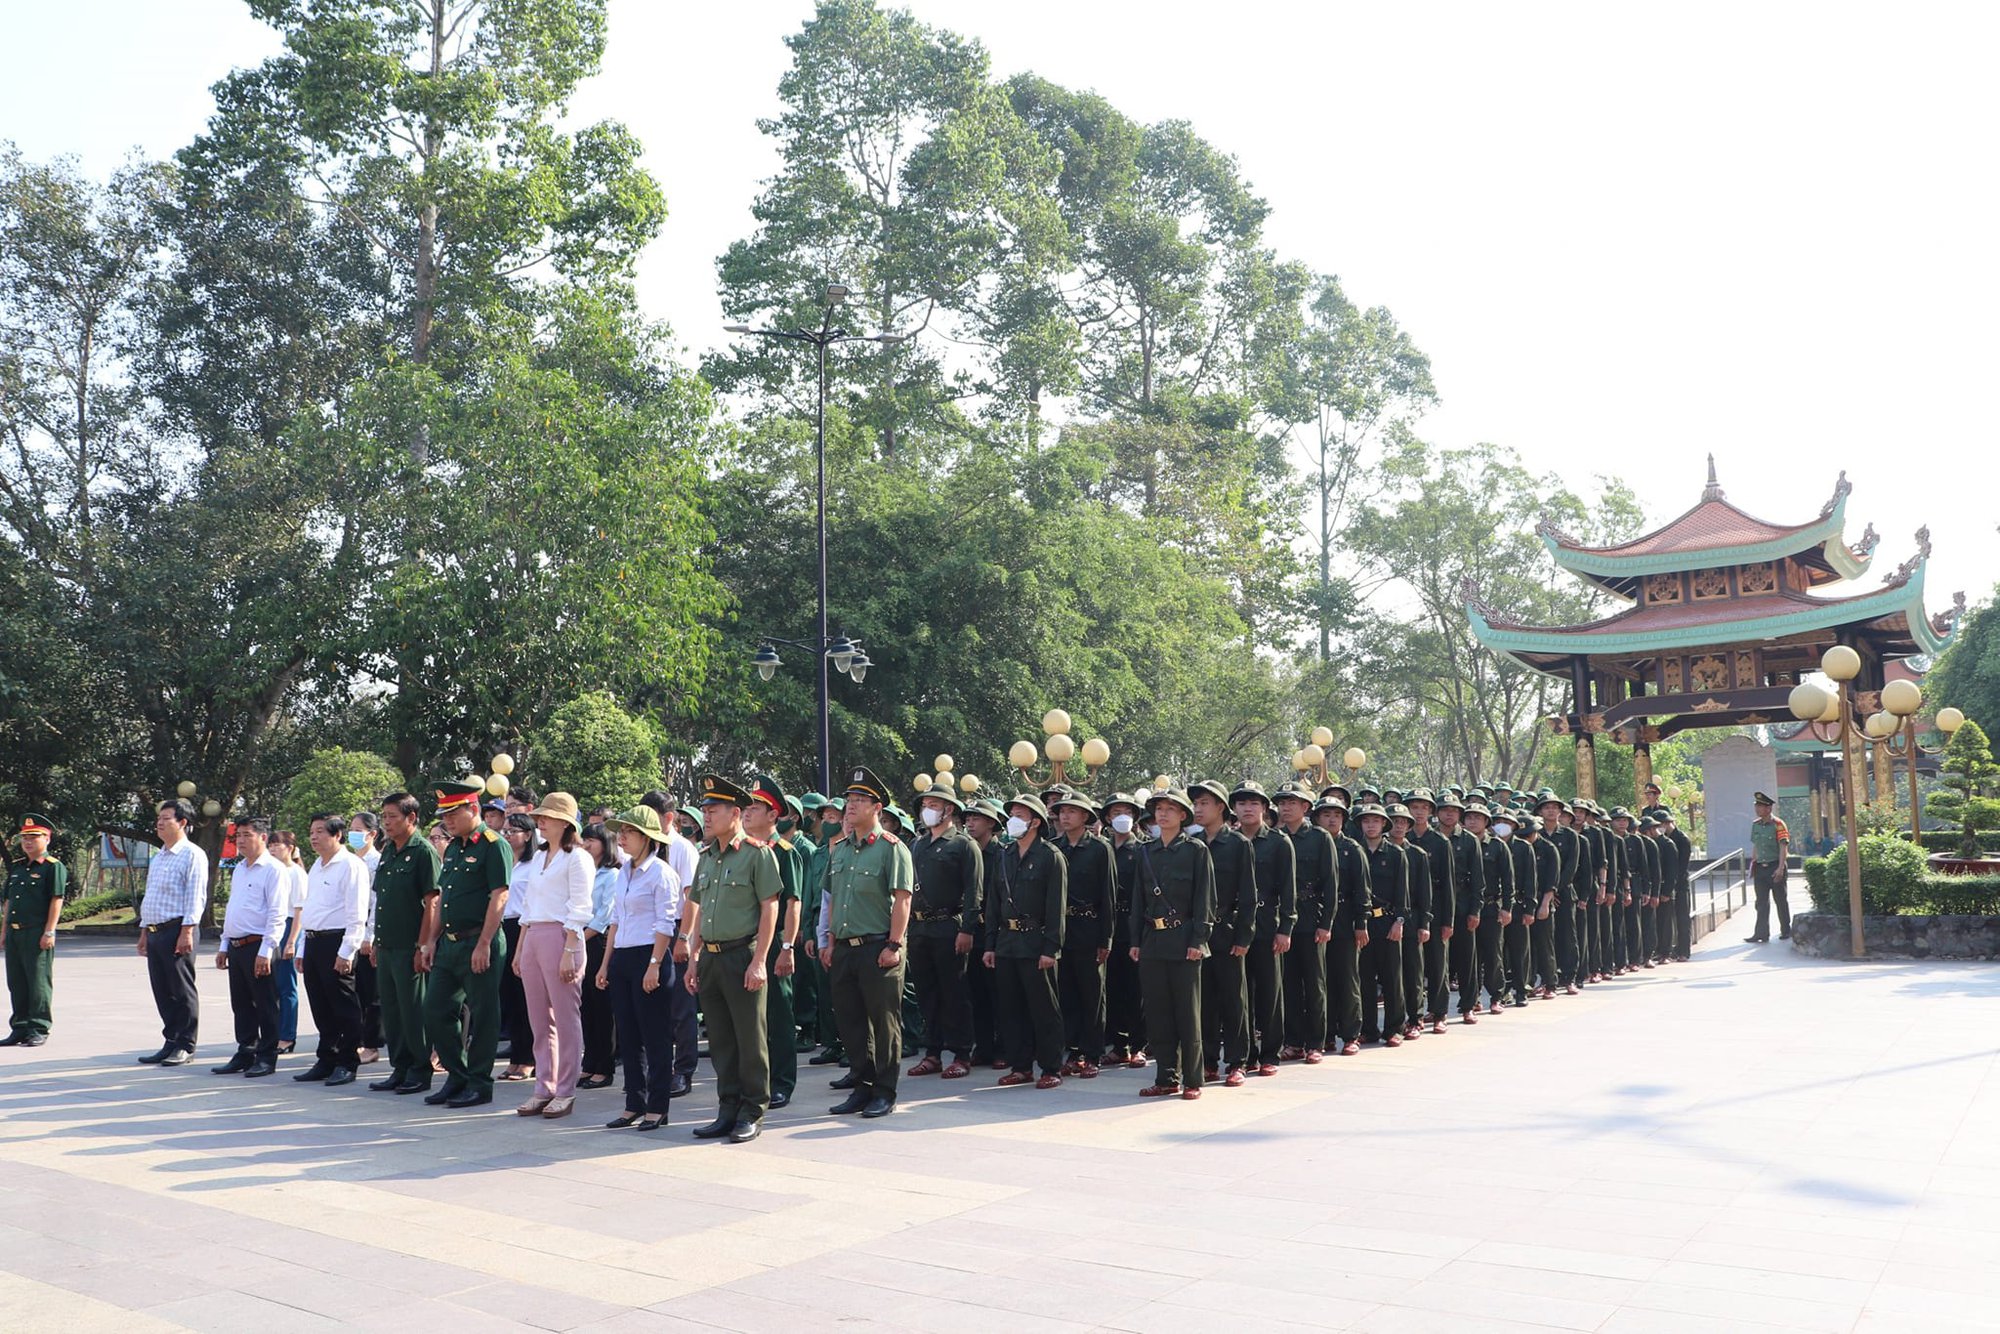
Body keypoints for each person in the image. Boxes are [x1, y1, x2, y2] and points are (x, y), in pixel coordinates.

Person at [684, 774, 782, 1143]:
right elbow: (699, 909)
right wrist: (693, 958)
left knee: (749, 1038)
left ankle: (753, 1109)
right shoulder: (706, 858)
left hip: (742, 954)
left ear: (735, 813)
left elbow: (769, 907)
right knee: (722, 1040)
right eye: (705, 810)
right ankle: (727, 1108)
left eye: (713, 810)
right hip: (709, 957)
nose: (706, 817)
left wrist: (760, 960)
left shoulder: (758, 855)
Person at [823, 766, 915, 1119]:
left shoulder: (892, 849)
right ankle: (862, 1086)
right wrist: (831, 942)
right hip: (845, 947)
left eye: (861, 800)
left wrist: (894, 945)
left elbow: (903, 900)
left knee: (884, 1021)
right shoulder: (841, 850)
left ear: (878, 808)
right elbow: (835, 900)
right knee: (850, 1021)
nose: (851, 805)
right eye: (850, 799)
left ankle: (885, 1090)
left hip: (879, 947)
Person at [421, 780, 512, 1109]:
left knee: (484, 1013)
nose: (446, 820)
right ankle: (456, 1076)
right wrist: (430, 941)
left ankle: (479, 1083)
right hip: (449, 943)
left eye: (452, 813)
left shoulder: (492, 844)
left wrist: (485, 942)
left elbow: (499, 895)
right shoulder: (455, 847)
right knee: (434, 1009)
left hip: (479, 940)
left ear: (473, 809)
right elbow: (443, 896)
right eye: (443, 814)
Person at [598, 805, 682, 1130]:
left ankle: (657, 1107)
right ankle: (634, 1102)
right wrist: (606, 963)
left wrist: (654, 965)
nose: (622, 837)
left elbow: (665, 923)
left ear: (648, 838)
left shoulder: (661, 873)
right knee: (628, 1036)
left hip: (651, 955)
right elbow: (615, 920)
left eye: (629, 832)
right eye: (621, 832)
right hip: (623, 956)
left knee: (656, 1035)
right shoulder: (623, 872)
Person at [511, 793, 593, 1119]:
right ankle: (543, 1085)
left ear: (566, 822)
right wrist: (520, 949)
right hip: (533, 935)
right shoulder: (538, 858)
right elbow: (527, 909)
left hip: (562, 936)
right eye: (540, 817)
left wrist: (570, 949)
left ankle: (566, 1089)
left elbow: (582, 906)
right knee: (538, 1018)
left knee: (565, 1016)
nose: (540, 822)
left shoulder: (578, 858)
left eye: (547, 817)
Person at [1131, 788, 1212, 1100]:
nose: (1162, 814)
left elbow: (1204, 898)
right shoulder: (1146, 852)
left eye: (1170, 809)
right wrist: (1136, 939)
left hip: (1184, 940)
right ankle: (1166, 1077)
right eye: (1158, 809)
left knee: (1187, 1013)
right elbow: (1138, 899)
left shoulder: (1195, 850)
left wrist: (1198, 940)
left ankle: (1192, 1078)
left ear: (1183, 815)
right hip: (1152, 940)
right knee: (1158, 1012)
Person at [984, 793, 1067, 1089]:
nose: (1013, 820)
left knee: (1044, 1008)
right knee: (1011, 1007)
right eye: (1012, 814)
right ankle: (1020, 1066)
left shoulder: (1050, 856)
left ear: (1034, 821)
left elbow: (1056, 907)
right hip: (1007, 942)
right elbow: (993, 904)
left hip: (1036, 942)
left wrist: (1050, 948)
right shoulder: (1004, 855)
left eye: (1020, 814)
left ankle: (1050, 1067)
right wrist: (990, 944)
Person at [907, 783, 982, 1081]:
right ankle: (933, 1053)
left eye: (933, 804)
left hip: (949, 926)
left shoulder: (964, 845)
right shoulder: (918, 845)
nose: (927, 810)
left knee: (955, 992)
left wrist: (967, 929)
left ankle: (962, 1053)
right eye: (925, 804)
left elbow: (974, 892)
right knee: (927, 992)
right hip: (920, 927)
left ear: (949, 809)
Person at [368, 792, 440, 1095]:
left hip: (410, 946)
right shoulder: (389, 851)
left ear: (411, 818)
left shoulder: (423, 851)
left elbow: (432, 903)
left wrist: (423, 945)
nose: (387, 822)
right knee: (392, 1010)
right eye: (384, 817)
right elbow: (381, 900)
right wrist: (375, 941)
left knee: (413, 1010)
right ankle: (399, 1067)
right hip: (386, 944)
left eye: (392, 816)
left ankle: (419, 1069)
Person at [293, 812, 370, 1087]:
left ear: (337, 835)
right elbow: (310, 909)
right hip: (314, 941)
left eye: (321, 831)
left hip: (336, 941)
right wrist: (302, 948)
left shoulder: (351, 865)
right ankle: (326, 1058)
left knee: (344, 1005)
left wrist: (347, 951)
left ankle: (348, 1061)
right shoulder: (316, 865)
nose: (314, 836)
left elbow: (357, 912)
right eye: (312, 831)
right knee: (320, 1005)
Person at [742, 774, 802, 1108]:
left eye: (755, 808)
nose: (747, 813)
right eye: (746, 807)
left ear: (773, 815)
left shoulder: (784, 851)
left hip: (776, 942)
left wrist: (788, 946)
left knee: (778, 1015)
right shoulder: (747, 850)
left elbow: (793, 902)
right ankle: (756, 1079)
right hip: (746, 942)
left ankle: (781, 1082)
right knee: (752, 1018)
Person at [1189, 781, 1254, 1085]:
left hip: (1228, 931)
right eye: (1196, 804)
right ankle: (1209, 1060)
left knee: (1233, 999)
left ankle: (1238, 1060)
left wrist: (1243, 937)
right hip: (1198, 934)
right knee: (1205, 1000)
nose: (1198, 809)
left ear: (1221, 808)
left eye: (1204, 803)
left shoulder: (1239, 844)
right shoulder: (1193, 843)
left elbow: (1248, 896)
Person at [137, 798, 209, 1065]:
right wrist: (144, 931)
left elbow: (195, 897)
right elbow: (150, 896)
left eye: (167, 817)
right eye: (160, 817)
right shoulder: (159, 856)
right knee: (162, 989)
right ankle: (171, 1040)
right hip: (155, 930)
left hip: (177, 928)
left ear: (183, 823)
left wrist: (187, 931)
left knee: (181, 988)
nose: (160, 822)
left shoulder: (193, 855)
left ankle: (186, 1044)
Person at [210, 816, 284, 1076]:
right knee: (241, 1004)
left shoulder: (274, 869)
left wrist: (266, 950)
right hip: (237, 945)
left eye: (247, 835)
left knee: (265, 1003)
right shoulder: (240, 868)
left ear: (263, 837)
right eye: (238, 835)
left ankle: (266, 1057)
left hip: (259, 945)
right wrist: (224, 944)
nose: (240, 840)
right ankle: (245, 1051)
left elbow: (277, 914)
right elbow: (234, 909)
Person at [639, 790, 699, 1099]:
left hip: (676, 928)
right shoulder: (645, 848)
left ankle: (684, 1069)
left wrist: (686, 938)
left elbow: (692, 899)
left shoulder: (682, 849)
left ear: (668, 818)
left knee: (680, 1003)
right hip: (649, 931)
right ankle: (657, 1067)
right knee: (653, 1003)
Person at [1232, 781, 1294, 1077]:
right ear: (1233, 808)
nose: (1247, 808)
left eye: (1254, 803)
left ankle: (1271, 1053)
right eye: (1242, 803)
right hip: (1235, 928)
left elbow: (1288, 891)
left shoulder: (1279, 842)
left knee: (1270, 992)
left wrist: (1286, 928)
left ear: (1264, 809)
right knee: (1241, 994)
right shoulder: (1228, 841)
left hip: (1268, 926)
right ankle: (1245, 1055)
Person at [1051, 793, 1115, 1078]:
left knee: (1092, 994)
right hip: (1062, 929)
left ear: (1086, 817)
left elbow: (1108, 896)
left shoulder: (1100, 849)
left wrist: (1106, 939)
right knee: (1066, 993)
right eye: (1062, 811)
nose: (1065, 816)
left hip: (1090, 928)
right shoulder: (1054, 848)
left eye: (1072, 811)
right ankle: (1072, 1051)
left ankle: (1093, 1053)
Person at [1274, 782, 1334, 1061]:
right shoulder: (1275, 837)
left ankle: (1315, 1043)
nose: (1286, 808)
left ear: (1306, 807)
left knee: (1314, 982)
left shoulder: (1320, 838)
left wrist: (1326, 923)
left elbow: (1330, 884)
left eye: (1292, 803)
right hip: (1283, 919)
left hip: (1311, 917)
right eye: (1282, 803)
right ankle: (1294, 1040)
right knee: (1288, 983)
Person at [3, 814, 66, 1046]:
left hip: (36, 932)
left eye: (34, 837)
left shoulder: (53, 867)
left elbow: (56, 899)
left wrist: (49, 931)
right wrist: (3, 933)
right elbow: (8, 902)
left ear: (46, 839)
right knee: (16, 980)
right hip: (15, 932)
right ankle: (20, 1026)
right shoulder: (18, 867)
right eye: (24, 838)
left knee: (38, 981)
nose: (28, 842)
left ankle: (38, 1026)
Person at [1100, 793, 1148, 1068]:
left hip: (1134, 924)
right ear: (1107, 817)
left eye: (1127, 811)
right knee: (1113, 989)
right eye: (1116, 811)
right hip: (1108, 926)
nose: (1121, 817)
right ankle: (1119, 1045)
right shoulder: (1101, 848)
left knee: (1136, 990)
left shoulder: (1142, 850)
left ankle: (1139, 1044)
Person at [1354, 804, 1408, 1045]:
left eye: (1376, 821)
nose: (1371, 825)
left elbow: (1402, 893)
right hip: (1363, 923)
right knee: (1364, 978)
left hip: (1387, 922)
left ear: (1384, 824)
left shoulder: (1396, 854)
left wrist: (1399, 920)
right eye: (1366, 821)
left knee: (1391, 979)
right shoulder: (1355, 851)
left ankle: (1395, 1028)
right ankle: (1368, 1028)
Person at [1405, 790, 1455, 1034]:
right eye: (1414, 807)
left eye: (1424, 807)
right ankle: (1414, 1014)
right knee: (1414, 966)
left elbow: (1448, 884)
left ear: (1431, 811)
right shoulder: (1402, 840)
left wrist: (1448, 919)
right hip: (1409, 908)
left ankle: (1439, 1012)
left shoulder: (1440, 842)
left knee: (1437, 964)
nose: (1418, 812)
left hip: (1435, 908)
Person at [961, 798, 1005, 1068]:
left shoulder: (1002, 853)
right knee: (974, 992)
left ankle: (1003, 1047)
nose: (970, 823)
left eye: (976, 818)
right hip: (971, 930)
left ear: (991, 823)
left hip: (996, 932)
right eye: (968, 818)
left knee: (999, 994)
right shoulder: (965, 851)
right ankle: (983, 1046)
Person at [1437, 793, 1485, 1024]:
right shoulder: (1428, 838)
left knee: (1467, 959)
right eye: (1445, 809)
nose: (1449, 814)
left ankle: (1468, 1005)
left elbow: (1477, 879)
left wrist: (1476, 910)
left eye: (1454, 810)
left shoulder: (1468, 840)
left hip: (1463, 905)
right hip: (1435, 907)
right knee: (1438, 962)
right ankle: (1438, 1010)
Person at [578, 823, 620, 1090]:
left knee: (602, 1006)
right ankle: (589, 1062)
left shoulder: (612, 875)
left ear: (605, 844)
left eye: (591, 840)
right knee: (586, 1006)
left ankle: (604, 1067)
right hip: (580, 940)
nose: (585, 844)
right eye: (584, 839)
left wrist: (579, 937)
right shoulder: (583, 870)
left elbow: (605, 916)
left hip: (599, 942)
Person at [497, 812, 538, 1083]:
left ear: (528, 834)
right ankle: (515, 1057)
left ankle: (528, 1059)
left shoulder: (534, 863)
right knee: (508, 997)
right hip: (502, 927)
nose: (508, 835)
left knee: (526, 998)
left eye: (513, 831)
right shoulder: (503, 861)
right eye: (506, 831)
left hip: (525, 928)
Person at [1385, 804, 1431, 1042]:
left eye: (1404, 822)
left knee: (1413, 971)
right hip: (1384, 920)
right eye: (1394, 820)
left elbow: (1424, 893)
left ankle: (1415, 1018)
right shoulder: (1374, 850)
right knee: (1391, 974)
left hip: (1411, 920)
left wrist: (1425, 923)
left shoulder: (1417, 854)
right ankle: (1394, 1021)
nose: (1399, 825)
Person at [346, 810, 383, 1065]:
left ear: (372, 834)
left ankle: (371, 1044)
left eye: (358, 830)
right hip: (350, 935)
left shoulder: (376, 862)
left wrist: (370, 936)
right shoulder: (349, 861)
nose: (353, 835)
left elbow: (375, 902)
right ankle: (353, 1040)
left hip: (368, 936)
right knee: (353, 993)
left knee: (372, 995)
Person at [269, 830, 307, 1053]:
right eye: (271, 845)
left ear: (290, 848)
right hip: (271, 927)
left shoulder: (296, 874)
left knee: (286, 985)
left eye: (277, 845)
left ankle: (287, 1036)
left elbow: (300, 911)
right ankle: (272, 1032)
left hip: (288, 927)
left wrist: (292, 941)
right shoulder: (271, 871)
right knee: (270, 986)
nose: (273, 849)